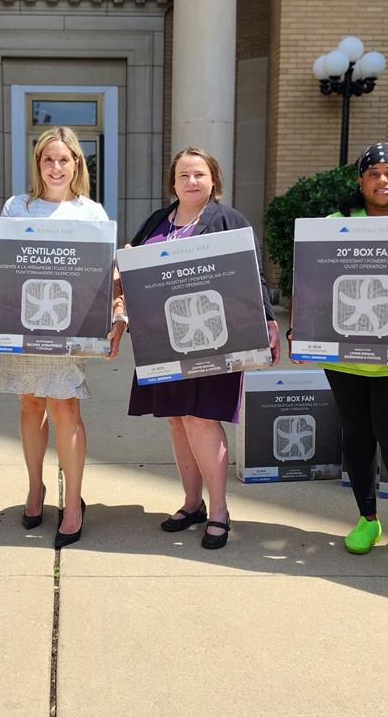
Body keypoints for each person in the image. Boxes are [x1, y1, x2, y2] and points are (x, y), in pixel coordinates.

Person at [125, 147, 279, 549]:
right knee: (177, 420)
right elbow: (133, 271)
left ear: (213, 180)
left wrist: (267, 320)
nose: (191, 182)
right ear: (173, 182)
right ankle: (192, 503)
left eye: (199, 174)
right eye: (184, 175)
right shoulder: (157, 221)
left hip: (216, 337)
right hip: (165, 340)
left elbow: (254, 275)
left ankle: (219, 511)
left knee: (201, 419)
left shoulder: (229, 221)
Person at [294, 142, 388, 562]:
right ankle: (367, 519)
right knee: (356, 434)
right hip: (345, 352)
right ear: (360, 181)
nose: (382, 180)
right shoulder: (336, 224)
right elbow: (312, 280)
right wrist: (302, 327)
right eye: (373, 173)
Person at [0, 126, 126, 549]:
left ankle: (72, 506)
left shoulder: (91, 212)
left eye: (63, 159)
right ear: (38, 163)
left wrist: (118, 315)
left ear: (76, 164)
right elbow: (2, 267)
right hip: (25, 323)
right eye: (48, 159)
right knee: (31, 402)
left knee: (64, 405)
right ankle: (36, 488)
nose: (55, 167)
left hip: (70, 326)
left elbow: (108, 273)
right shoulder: (17, 207)